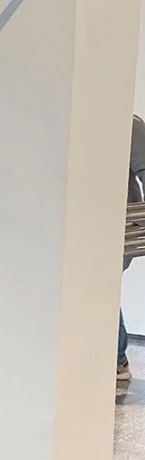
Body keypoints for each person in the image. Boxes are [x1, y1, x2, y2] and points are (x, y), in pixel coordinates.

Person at [118, 113, 145, 382]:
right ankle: (116, 358)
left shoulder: (128, 124)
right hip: (76, 223)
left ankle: (116, 358)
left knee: (98, 288)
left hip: (119, 227)